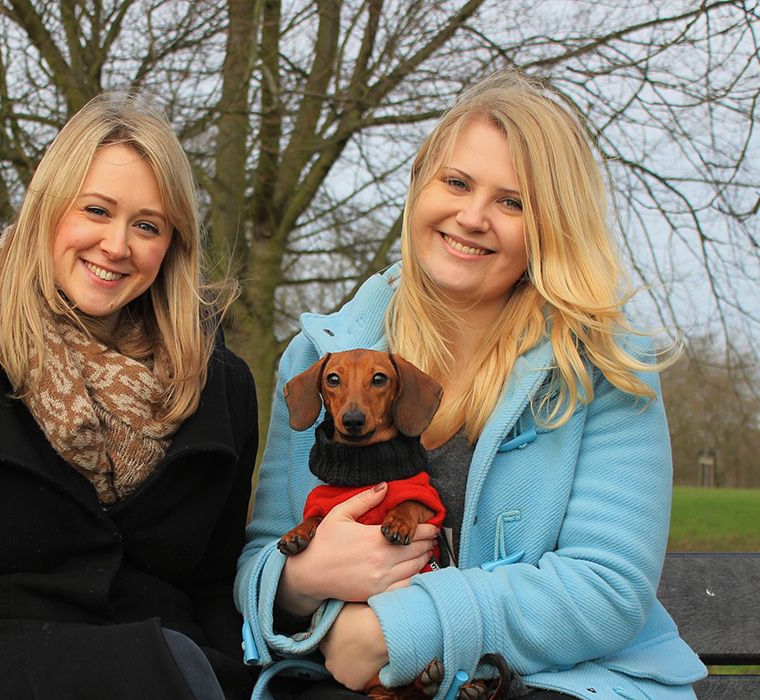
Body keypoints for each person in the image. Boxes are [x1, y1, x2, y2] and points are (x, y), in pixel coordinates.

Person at [235, 70, 706, 700]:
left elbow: (607, 589)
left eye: (512, 202)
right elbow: (260, 561)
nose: (473, 216)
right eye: (456, 182)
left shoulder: (603, 370)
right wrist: (303, 580)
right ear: (419, 187)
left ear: (551, 227)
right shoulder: (319, 359)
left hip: (553, 686)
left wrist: (398, 627)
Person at [0, 92, 258, 700]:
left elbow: (216, 582)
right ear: (48, 208)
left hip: (164, 675)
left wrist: (224, 673)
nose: (117, 245)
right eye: (96, 209)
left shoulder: (221, 384)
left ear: (172, 244)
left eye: (147, 225)